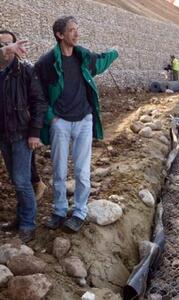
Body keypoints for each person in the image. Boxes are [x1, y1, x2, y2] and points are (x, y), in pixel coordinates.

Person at [35, 16, 119, 232]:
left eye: (77, 29)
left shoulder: (83, 56)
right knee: (59, 171)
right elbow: (37, 92)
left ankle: (80, 211)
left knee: (82, 172)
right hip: (60, 122)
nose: (77, 33)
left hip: (84, 120)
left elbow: (100, 61)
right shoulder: (47, 63)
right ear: (60, 35)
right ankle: (60, 210)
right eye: (72, 30)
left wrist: (115, 52)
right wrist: (51, 117)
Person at [0, 30, 47, 242]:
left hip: (21, 133)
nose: (7, 49)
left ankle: (28, 223)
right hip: (3, 135)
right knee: (15, 179)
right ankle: (20, 218)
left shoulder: (26, 69)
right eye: (2, 46)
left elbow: (38, 102)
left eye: (10, 44)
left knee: (21, 180)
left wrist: (34, 133)